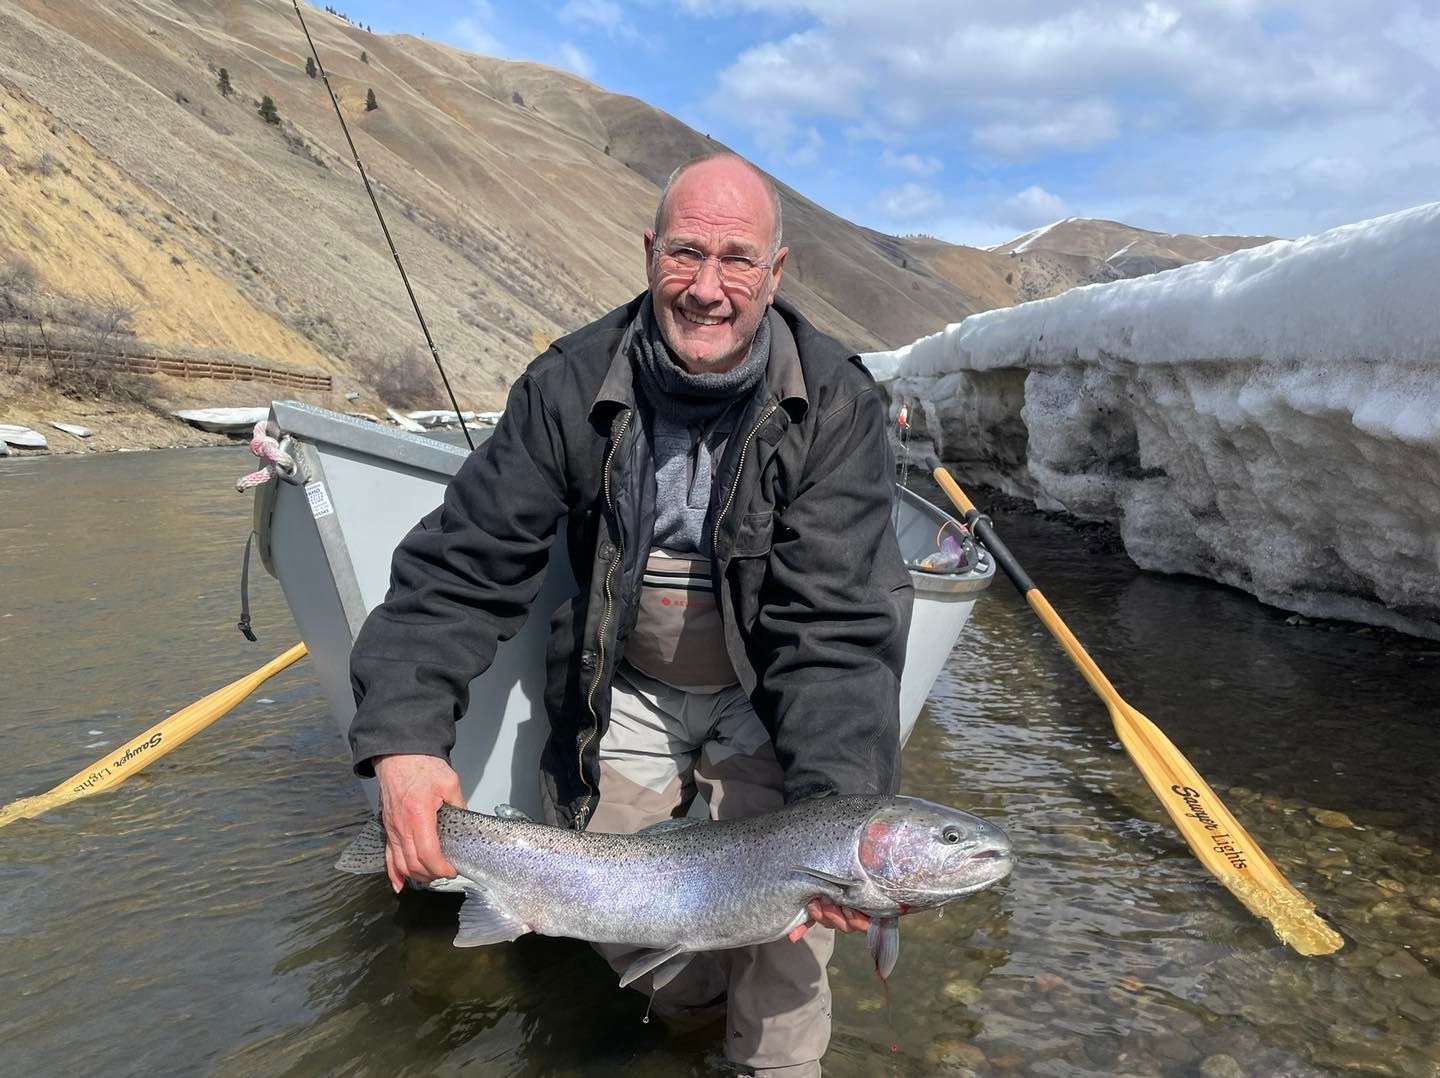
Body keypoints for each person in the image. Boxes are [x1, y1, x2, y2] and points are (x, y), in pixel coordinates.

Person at [347, 152, 913, 1076]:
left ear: (776, 272)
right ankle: (691, 1010)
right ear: (649, 252)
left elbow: (836, 638)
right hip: (629, 685)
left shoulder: (837, 402)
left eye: (736, 260)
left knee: (791, 945)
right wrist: (405, 748)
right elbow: (458, 572)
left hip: (767, 685)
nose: (706, 287)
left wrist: (835, 819)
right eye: (685, 253)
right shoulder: (566, 386)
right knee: (624, 928)